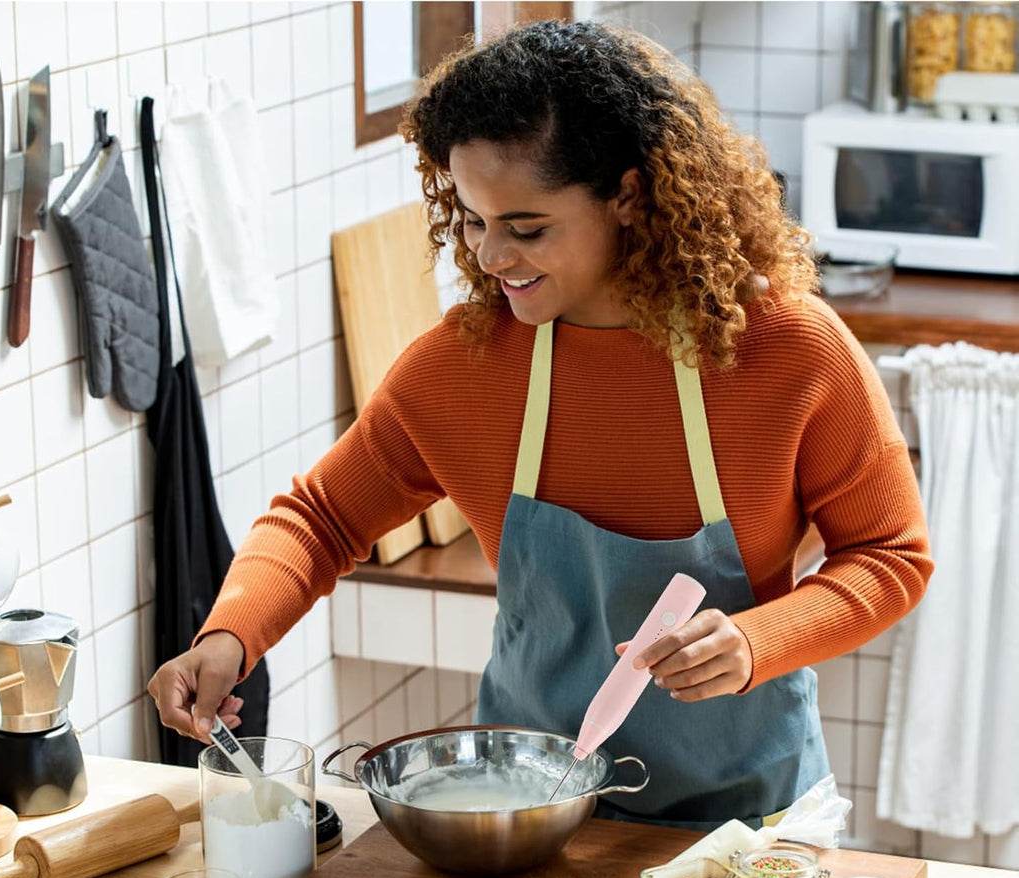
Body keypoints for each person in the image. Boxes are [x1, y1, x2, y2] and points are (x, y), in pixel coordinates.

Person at [148, 20, 932, 828]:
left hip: (745, 830)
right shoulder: (468, 366)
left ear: (628, 195)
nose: (488, 256)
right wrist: (230, 636)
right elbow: (321, 518)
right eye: (473, 219)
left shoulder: (786, 351)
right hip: (530, 816)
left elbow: (890, 556)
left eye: (526, 228)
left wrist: (757, 641)